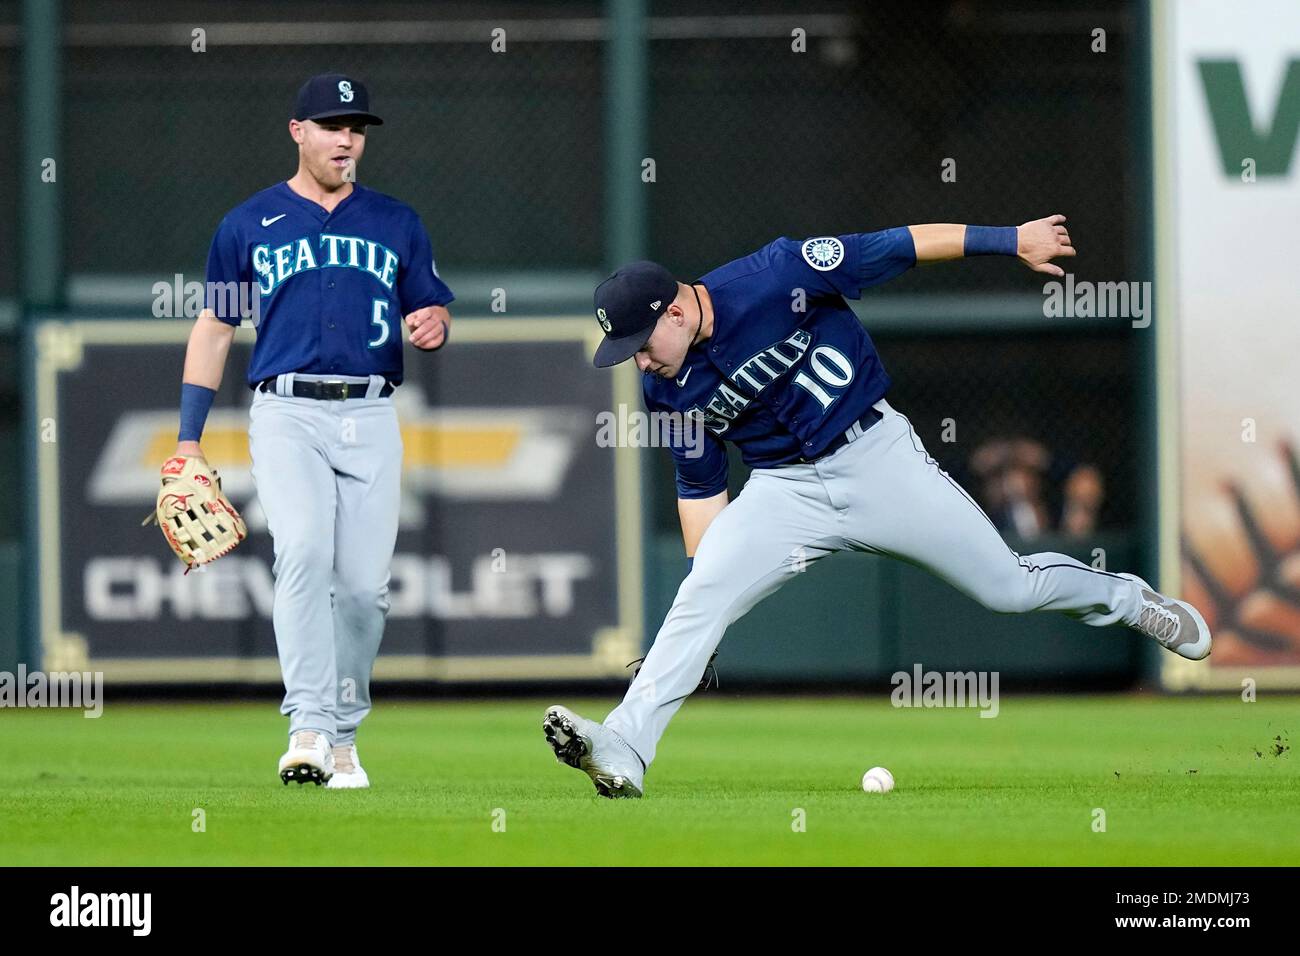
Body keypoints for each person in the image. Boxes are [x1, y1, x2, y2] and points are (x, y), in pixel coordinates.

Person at [544, 217, 1210, 798]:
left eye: (640, 346)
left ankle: (1130, 601)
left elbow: (901, 245)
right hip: (784, 491)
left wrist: (1011, 241)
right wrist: (711, 587)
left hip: (875, 457)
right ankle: (625, 748)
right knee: (701, 594)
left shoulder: (781, 273)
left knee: (1009, 587)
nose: (639, 365)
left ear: (678, 314)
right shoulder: (667, 389)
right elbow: (699, 481)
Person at [169, 73, 453, 787]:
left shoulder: (396, 222)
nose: (346, 138)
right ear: (298, 132)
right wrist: (187, 439)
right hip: (286, 410)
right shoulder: (248, 224)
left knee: (364, 590)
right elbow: (215, 328)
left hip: (369, 410)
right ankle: (307, 728)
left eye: (355, 127)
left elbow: (432, 309)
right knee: (300, 553)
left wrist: (434, 324)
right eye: (331, 125)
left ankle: (345, 736)